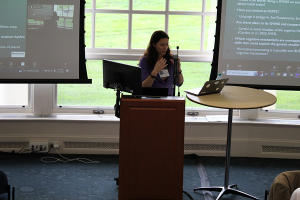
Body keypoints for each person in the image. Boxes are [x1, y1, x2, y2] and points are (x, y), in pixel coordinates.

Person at [139, 30, 184, 96]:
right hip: (152, 100)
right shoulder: (145, 61)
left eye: (166, 44)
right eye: (162, 45)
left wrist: (178, 70)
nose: (165, 48)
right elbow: (144, 87)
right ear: (154, 44)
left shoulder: (172, 59)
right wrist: (155, 72)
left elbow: (179, 83)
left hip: (169, 100)